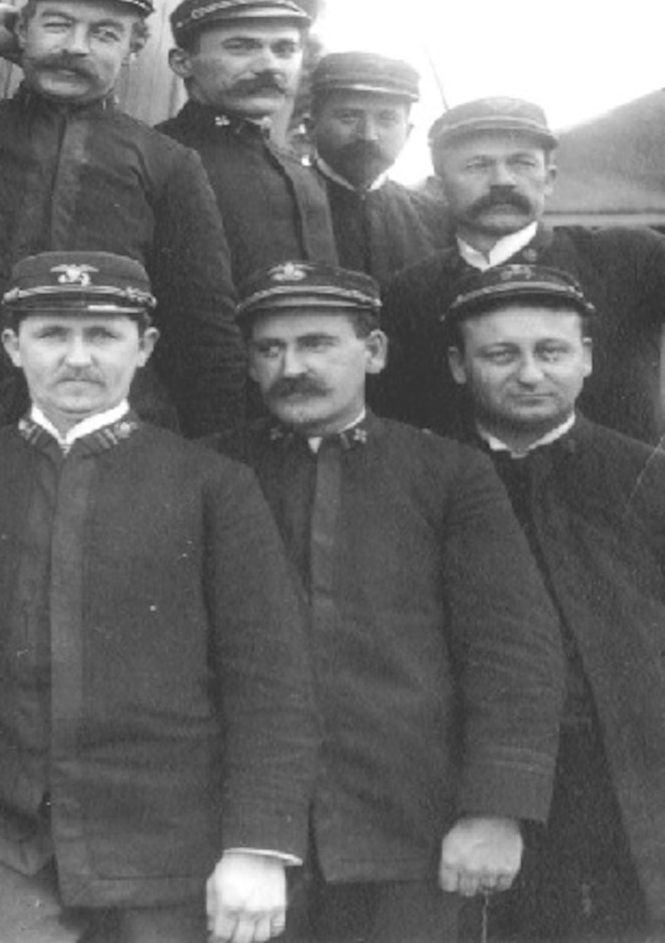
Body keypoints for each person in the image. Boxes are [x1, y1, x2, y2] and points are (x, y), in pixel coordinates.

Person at [0, 251, 316, 943]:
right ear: (13, 346)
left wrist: (257, 846)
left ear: (145, 346)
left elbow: (269, 677)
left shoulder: (212, 486)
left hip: (165, 847)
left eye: (102, 335)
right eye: (52, 334)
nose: (77, 358)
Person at [208, 261, 564, 942]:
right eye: (270, 349)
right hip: (241, 840)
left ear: (373, 352)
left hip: (410, 834)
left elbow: (512, 647)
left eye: (316, 343)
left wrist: (497, 808)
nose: (291, 367)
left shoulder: (449, 476)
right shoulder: (209, 474)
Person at [443, 264, 665, 940]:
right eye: (501, 355)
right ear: (459, 365)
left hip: (631, 786)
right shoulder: (429, 480)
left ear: (588, 359)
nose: (531, 375)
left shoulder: (647, 478)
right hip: (470, 795)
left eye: (552, 352)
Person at [0, 0, 244, 444]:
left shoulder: (167, 164)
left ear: (134, 45)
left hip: (117, 446)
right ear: (21, 32)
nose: (76, 47)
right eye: (57, 25)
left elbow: (207, 338)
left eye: (104, 33)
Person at [378, 96, 665, 442]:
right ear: (439, 188)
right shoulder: (408, 292)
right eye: (477, 165)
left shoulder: (629, 257)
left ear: (549, 179)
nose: (503, 181)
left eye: (522, 163)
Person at [156, 0, 337, 285]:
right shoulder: (158, 158)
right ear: (183, 62)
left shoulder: (299, 172)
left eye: (285, 49)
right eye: (241, 47)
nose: (269, 65)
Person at [301, 51, 453, 281]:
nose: (368, 135)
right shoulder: (280, 208)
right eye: (349, 117)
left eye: (387, 119)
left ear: (408, 132)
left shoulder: (437, 220)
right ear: (311, 127)